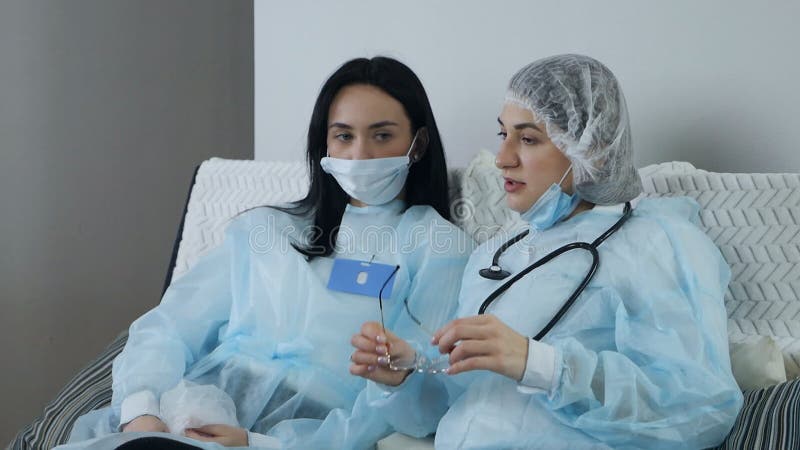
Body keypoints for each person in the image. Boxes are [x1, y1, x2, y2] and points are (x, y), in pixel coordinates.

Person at [60, 56, 474, 450]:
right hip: (185, 411)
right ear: (324, 143)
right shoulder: (265, 229)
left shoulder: (438, 249)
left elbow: (428, 402)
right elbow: (170, 325)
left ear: (417, 144)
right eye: (344, 135)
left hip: (304, 434)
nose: (359, 155)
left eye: (381, 135)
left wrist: (258, 443)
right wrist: (142, 413)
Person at [352, 54, 743, 449]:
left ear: (595, 148)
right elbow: (450, 407)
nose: (503, 159)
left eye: (528, 138)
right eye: (503, 134)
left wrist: (543, 366)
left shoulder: (658, 244)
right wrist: (405, 376)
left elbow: (699, 409)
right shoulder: (495, 254)